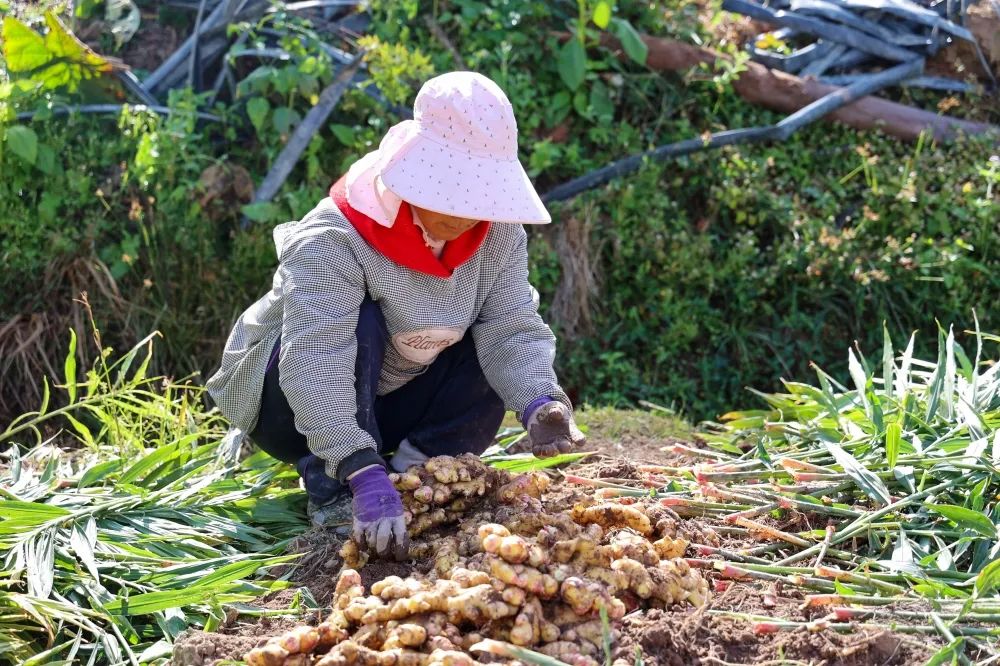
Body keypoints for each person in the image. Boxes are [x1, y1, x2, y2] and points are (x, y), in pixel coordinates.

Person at [206, 71, 585, 561]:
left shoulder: (498, 237)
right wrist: (359, 466)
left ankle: (416, 474)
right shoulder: (335, 238)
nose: (468, 213)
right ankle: (336, 478)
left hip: (398, 388)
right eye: (453, 195)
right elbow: (315, 357)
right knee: (360, 320)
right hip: (288, 400)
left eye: (479, 196)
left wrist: (540, 403)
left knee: (488, 335)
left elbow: (511, 326)